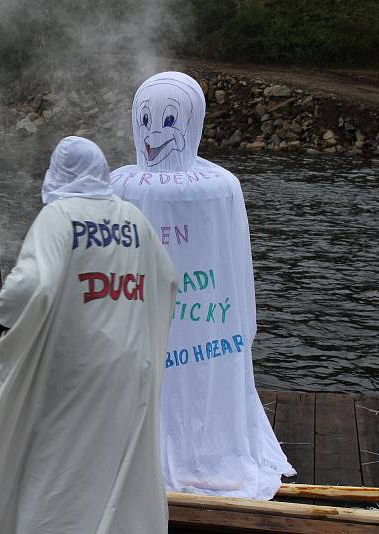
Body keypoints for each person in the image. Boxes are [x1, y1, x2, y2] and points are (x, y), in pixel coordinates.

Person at [0, 136, 178, 534]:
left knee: (56, 460)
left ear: (58, 173)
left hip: (74, 366)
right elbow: (167, 278)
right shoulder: (134, 219)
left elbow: (32, 281)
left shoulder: (60, 217)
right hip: (128, 365)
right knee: (109, 459)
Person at [110, 72, 295, 499]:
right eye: (147, 119)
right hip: (201, 324)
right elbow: (234, 265)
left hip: (171, 319)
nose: (154, 133)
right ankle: (206, 446)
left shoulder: (126, 185)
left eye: (169, 121)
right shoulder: (219, 187)